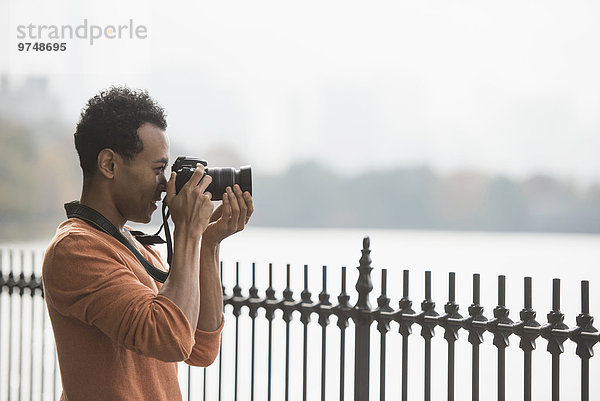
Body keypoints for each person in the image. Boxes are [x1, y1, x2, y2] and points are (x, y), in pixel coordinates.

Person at [42, 86, 254, 401]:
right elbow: (170, 339)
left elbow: (201, 347)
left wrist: (207, 244)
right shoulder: (75, 249)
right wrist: (188, 232)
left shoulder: (138, 249)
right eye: (157, 169)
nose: (165, 185)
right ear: (109, 165)